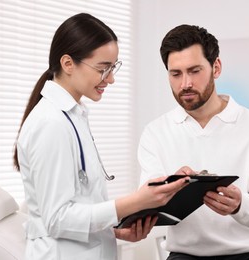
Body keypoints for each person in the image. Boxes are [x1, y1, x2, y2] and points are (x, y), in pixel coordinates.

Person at [13, 13, 191, 260]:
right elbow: (57, 220)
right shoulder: (50, 124)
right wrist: (135, 202)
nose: (111, 79)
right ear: (67, 64)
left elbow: (78, 208)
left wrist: (114, 231)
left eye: (113, 67)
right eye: (102, 69)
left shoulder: (72, 117)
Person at [138, 24, 249, 260]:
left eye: (194, 71)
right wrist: (167, 189)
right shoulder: (155, 133)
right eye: (176, 74)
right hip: (186, 255)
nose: (185, 83)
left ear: (216, 67)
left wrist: (240, 205)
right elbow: (145, 205)